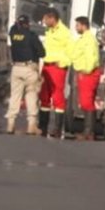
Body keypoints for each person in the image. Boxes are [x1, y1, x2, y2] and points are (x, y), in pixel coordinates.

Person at [5, 14, 45, 135]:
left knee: (15, 96)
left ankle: (10, 124)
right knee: (31, 96)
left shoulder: (13, 34)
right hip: (29, 68)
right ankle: (31, 126)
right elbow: (42, 53)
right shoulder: (31, 36)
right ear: (27, 24)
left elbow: (12, 28)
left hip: (16, 68)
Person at [39, 8, 73, 139]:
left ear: (52, 18)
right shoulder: (49, 31)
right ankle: (43, 127)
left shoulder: (65, 33)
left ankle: (57, 128)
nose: (44, 21)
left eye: (45, 19)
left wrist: (63, 63)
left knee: (58, 97)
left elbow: (70, 51)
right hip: (47, 66)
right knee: (44, 96)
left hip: (57, 68)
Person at [69, 16, 101, 140]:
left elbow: (91, 57)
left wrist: (86, 71)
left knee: (86, 102)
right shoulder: (84, 39)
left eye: (77, 25)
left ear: (83, 25)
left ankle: (89, 131)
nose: (76, 28)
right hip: (84, 72)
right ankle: (88, 131)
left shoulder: (88, 39)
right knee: (87, 102)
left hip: (88, 73)